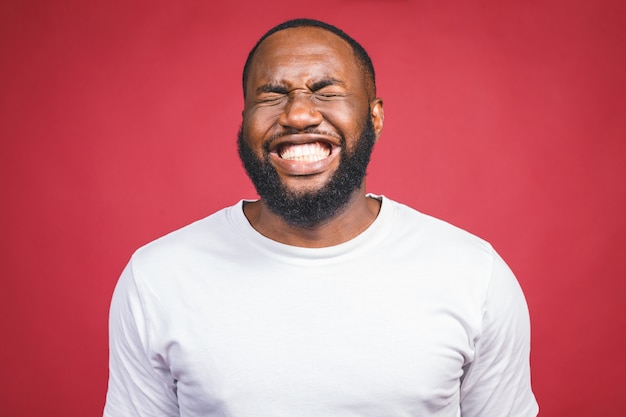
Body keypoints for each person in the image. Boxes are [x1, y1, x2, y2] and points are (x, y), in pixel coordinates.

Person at [103, 18, 538, 417]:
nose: (297, 114)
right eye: (272, 96)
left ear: (375, 116)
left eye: (327, 92)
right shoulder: (158, 278)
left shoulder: (474, 275)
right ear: (245, 121)